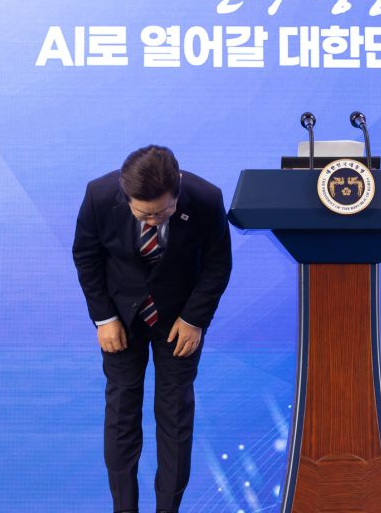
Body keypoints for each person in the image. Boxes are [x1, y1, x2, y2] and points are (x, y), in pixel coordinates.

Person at [72, 145, 232, 513]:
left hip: (179, 321)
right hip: (121, 319)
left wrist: (194, 320)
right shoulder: (98, 195)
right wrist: (104, 318)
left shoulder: (207, 199)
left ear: (178, 187)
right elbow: (86, 256)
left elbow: (217, 265)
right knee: (121, 412)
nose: (153, 221)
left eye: (163, 212)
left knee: (175, 415)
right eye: (143, 213)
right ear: (124, 195)